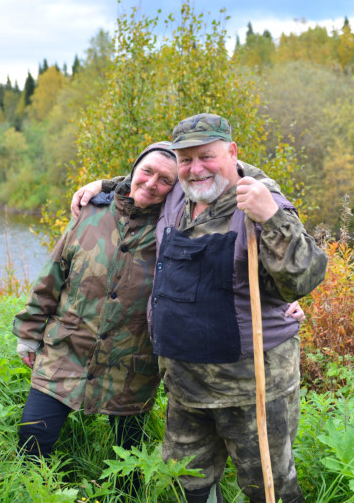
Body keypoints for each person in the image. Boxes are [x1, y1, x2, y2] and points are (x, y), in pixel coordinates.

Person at [73, 113, 328, 503]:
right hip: (185, 386)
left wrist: (272, 219)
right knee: (188, 484)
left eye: (206, 156)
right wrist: (104, 186)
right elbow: (146, 180)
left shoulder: (259, 200)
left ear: (231, 152)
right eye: (186, 159)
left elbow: (306, 277)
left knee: (268, 488)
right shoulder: (178, 191)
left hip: (251, 388)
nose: (196, 168)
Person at [12, 142, 178, 471]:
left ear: (177, 189)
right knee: (31, 447)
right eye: (146, 171)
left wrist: (104, 182)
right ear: (133, 171)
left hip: (132, 368)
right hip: (65, 353)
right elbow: (52, 275)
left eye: (165, 180)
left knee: (128, 470)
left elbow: (219, 172)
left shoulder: (174, 231)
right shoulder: (91, 213)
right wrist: (28, 334)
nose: (151, 183)